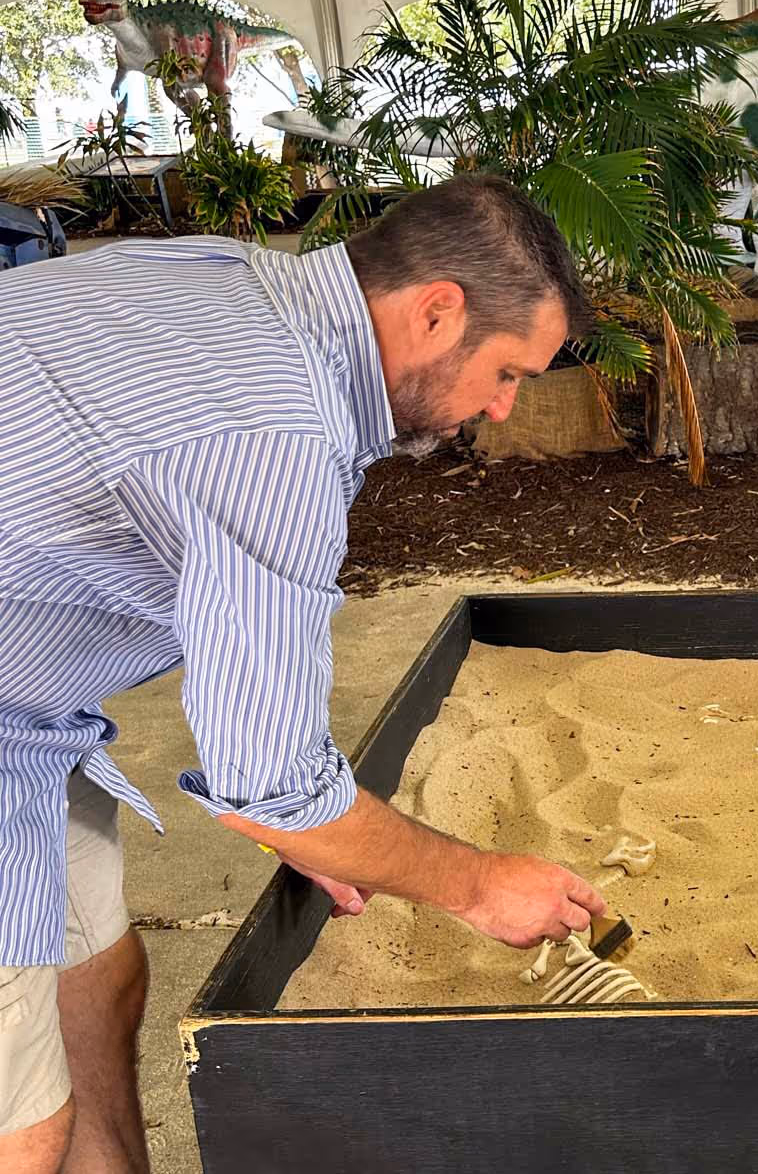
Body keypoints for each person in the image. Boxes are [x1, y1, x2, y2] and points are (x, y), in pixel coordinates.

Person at [0, 173, 608, 1173]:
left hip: (29, 714)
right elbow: (271, 781)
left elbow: (269, 772)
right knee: (22, 1126)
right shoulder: (280, 433)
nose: (502, 408)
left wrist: (312, 818)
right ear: (436, 309)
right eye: (506, 373)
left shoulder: (239, 280)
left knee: (96, 978)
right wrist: (475, 883)